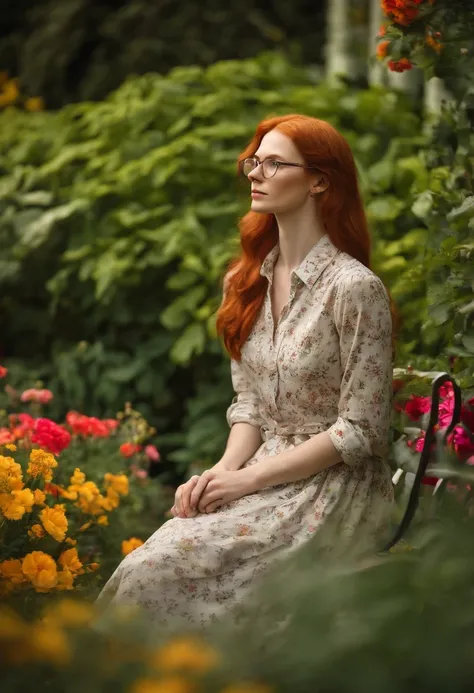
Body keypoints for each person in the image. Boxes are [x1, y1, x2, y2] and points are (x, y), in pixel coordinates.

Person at [96, 113, 395, 629]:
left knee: (166, 578)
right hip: (262, 474)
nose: (255, 173)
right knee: (146, 565)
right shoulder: (245, 280)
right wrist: (222, 472)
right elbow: (251, 406)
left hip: (332, 491)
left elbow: (361, 429)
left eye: (274, 163)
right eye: (254, 161)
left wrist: (246, 479)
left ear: (319, 180)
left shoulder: (354, 288)